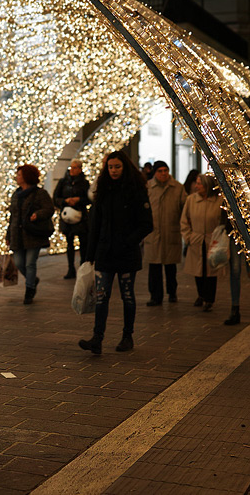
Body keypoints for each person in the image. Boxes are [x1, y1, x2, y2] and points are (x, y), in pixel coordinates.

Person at [78, 151, 153, 354]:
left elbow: (147, 224)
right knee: (101, 296)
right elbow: (95, 224)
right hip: (105, 253)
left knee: (127, 296)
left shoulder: (136, 190)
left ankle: (127, 336)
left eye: (117, 167)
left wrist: (128, 241)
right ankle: (97, 338)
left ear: (125, 167)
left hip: (127, 253)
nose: (113, 170)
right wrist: (89, 255)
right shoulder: (103, 189)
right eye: (110, 167)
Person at [6, 164, 54, 305]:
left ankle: (29, 290)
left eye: (19, 175)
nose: (17, 177)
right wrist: (8, 235)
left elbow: (49, 209)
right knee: (19, 262)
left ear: (26, 176)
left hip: (33, 234)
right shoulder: (16, 194)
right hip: (17, 234)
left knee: (30, 263)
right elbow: (12, 216)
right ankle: (33, 280)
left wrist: (37, 215)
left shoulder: (40, 194)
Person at [143, 161, 187, 306]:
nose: (163, 174)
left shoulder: (177, 188)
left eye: (165, 170)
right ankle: (155, 296)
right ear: (155, 173)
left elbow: (185, 209)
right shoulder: (148, 187)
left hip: (171, 232)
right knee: (154, 268)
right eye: (160, 171)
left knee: (170, 267)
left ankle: (172, 292)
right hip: (153, 233)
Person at [181, 174, 225, 312]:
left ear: (207, 186)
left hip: (213, 240)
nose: (196, 186)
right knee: (198, 270)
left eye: (200, 184)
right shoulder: (191, 200)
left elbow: (222, 221)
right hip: (196, 239)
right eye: (197, 183)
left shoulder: (219, 201)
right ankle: (201, 295)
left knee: (211, 270)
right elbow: (184, 220)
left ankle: (209, 299)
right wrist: (188, 237)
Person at [52, 158, 91, 279]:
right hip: (67, 216)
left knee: (83, 243)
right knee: (69, 243)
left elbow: (89, 199)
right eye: (71, 167)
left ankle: (83, 267)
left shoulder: (84, 183)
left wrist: (79, 200)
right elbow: (55, 198)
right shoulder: (63, 182)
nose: (72, 170)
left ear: (80, 169)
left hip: (80, 216)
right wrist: (65, 201)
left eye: (75, 168)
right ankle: (70, 268)